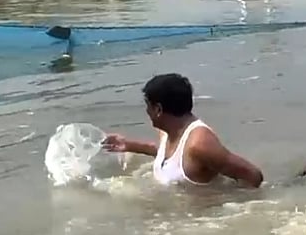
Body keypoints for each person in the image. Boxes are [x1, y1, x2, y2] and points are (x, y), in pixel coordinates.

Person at [102, 73, 264, 187]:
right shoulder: (167, 131)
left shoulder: (200, 144)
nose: (146, 112)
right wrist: (128, 145)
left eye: (148, 106)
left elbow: (253, 175)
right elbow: (169, 154)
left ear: (158, 109)